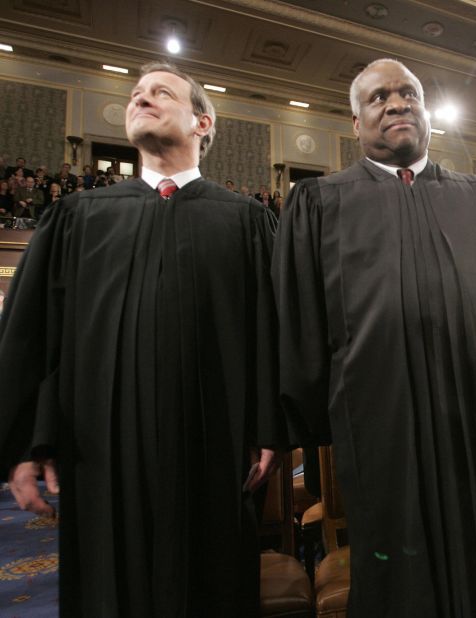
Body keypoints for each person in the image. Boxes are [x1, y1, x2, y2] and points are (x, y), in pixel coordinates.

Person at [0, 61, 286, 617]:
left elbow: (269, 334)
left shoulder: (248, 222)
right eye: (135, 94)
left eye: (161, 92)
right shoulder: (77, 217)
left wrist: (267, 427)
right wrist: (27, 445)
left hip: (214, 447)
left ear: (203, 123)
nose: (141, 99)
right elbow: (35, 337)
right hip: (100, 452)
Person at [273, 57, 476, 617]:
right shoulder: (320, 203)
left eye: (408, 94)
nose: (396, 104)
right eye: (378, 98)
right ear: (355, 121)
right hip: (380, 424)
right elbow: (299, 325)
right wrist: (327, 418)